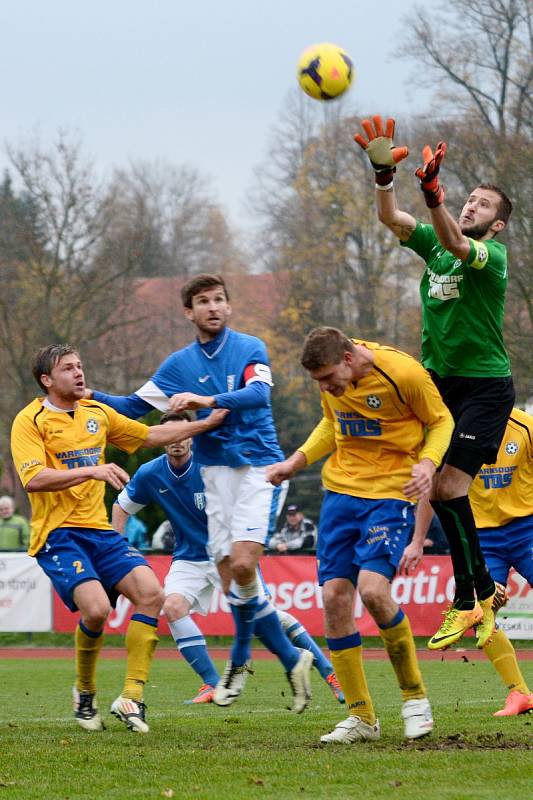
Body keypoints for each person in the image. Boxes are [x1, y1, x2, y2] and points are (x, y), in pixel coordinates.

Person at [86, 273, 314, 711]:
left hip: (257, 469)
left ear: (228, 307)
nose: (213, 307)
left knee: (244, 567)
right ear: (189, 312)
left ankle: (242, 660)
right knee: (235, 585)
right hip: (216, 477)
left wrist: (205, 401)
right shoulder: (177, 365)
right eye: (204, 301)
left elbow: (258, 394)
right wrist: (86, 393)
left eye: (219, 300)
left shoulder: (250, 347)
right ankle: (292, 658)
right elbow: (133, 407)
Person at [355, 116, 515, 650]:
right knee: (440, 488)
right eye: (468, 199)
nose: (472, 206)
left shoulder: (490, 258)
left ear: (497, 225)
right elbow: (390, 219)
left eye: (483, 206)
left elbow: (451, 234)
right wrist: (384, 177)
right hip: (440, 384)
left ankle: (471, 595)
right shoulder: (437, 246)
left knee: (448, 488)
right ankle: (478, 594)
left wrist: (434, 197)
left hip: (485, 387)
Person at [10, 343, 227, 733]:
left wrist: (204, 425)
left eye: (80, 366)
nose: (79, 373)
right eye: (68, 369)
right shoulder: (30, 419)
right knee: (96, 610)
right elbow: (33, 478)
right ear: (46, 380)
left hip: (99, 531)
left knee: (151, 593)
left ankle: (131, 696)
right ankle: (86, 691)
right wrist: (91, 472)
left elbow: (148, 436)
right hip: (58, 534)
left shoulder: (97, 412)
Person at [267, 327, 454, 744]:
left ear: (348, 358)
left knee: (372, 590)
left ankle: (415, 698)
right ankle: (361, 718)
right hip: (341, 494)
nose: (326, 386)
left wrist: (427, 463)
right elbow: (330, 426)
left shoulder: (403, 374)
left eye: (328, 377)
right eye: (319, 381)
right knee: (334, 597)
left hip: (391, 493)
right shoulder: (333, 384)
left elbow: (442, 422)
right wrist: (295, 462)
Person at [113, 410, 344, 707]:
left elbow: (264, 481)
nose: (177, 442)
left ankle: (328, 672)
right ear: (162, 440)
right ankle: (211, 682)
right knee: (171, 606)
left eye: (183, 434)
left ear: (193, 437)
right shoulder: (150, 473)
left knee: (269, 618)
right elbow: (121, 508)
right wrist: (121, 550)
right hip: (188, 558)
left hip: (227, 553)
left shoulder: (215, 464)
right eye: (170, 436)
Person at [403, 416, 533, 718]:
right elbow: (433, 488)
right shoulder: (454, 432)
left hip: (526, 527)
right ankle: (520, 693)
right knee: (479, 612)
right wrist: (418, 539)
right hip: (481, 538)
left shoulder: (525, 426)